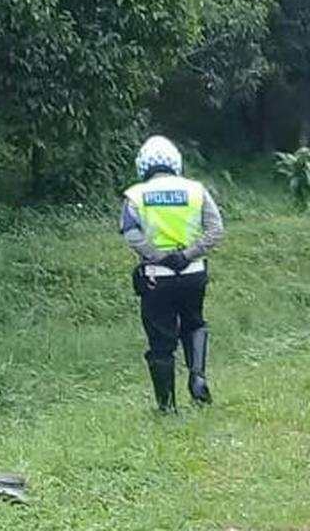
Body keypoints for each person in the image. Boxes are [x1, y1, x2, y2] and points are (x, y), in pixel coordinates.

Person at [121, 135, 225, 412]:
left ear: (143, 165)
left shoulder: (135, 196)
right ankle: (198, 378)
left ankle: (167, 406)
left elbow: (131, 234)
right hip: (193, 272)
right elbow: (216, 229)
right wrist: (187, 255)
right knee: (195, 324)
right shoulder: (196, 191)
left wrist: (159, 257)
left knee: (160, 341)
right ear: (175, 163)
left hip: (156, 277)